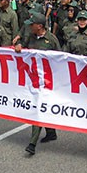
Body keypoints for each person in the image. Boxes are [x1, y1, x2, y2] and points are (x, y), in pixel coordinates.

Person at [15, 12, 59, 156]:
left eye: (32, 24)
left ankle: (32, 143)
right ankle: (51, 132)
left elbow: (60, 60)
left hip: (47, 80)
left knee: (38, 108)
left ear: (39, 26)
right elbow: (24, 48)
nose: (30, 27)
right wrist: (19, 45)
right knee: (40, 106)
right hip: (34, 79)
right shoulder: (31, 37)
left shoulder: (51, 40)